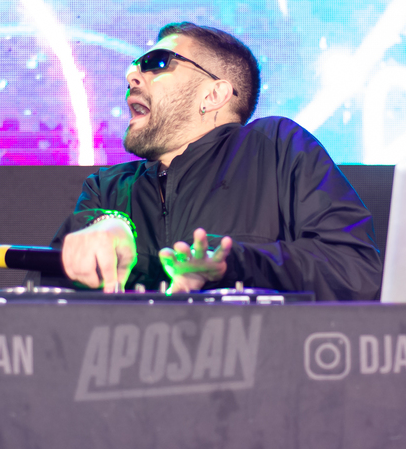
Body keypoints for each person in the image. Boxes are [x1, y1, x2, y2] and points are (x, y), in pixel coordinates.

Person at [50, 22, 382, 301]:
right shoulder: (107, 188)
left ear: (213, 95)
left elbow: (355, 272)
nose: (131, 75)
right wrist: (100, 225)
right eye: (135, 65)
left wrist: (232, 263)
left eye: (156, 62)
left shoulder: (276, 147)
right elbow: (49, 305)